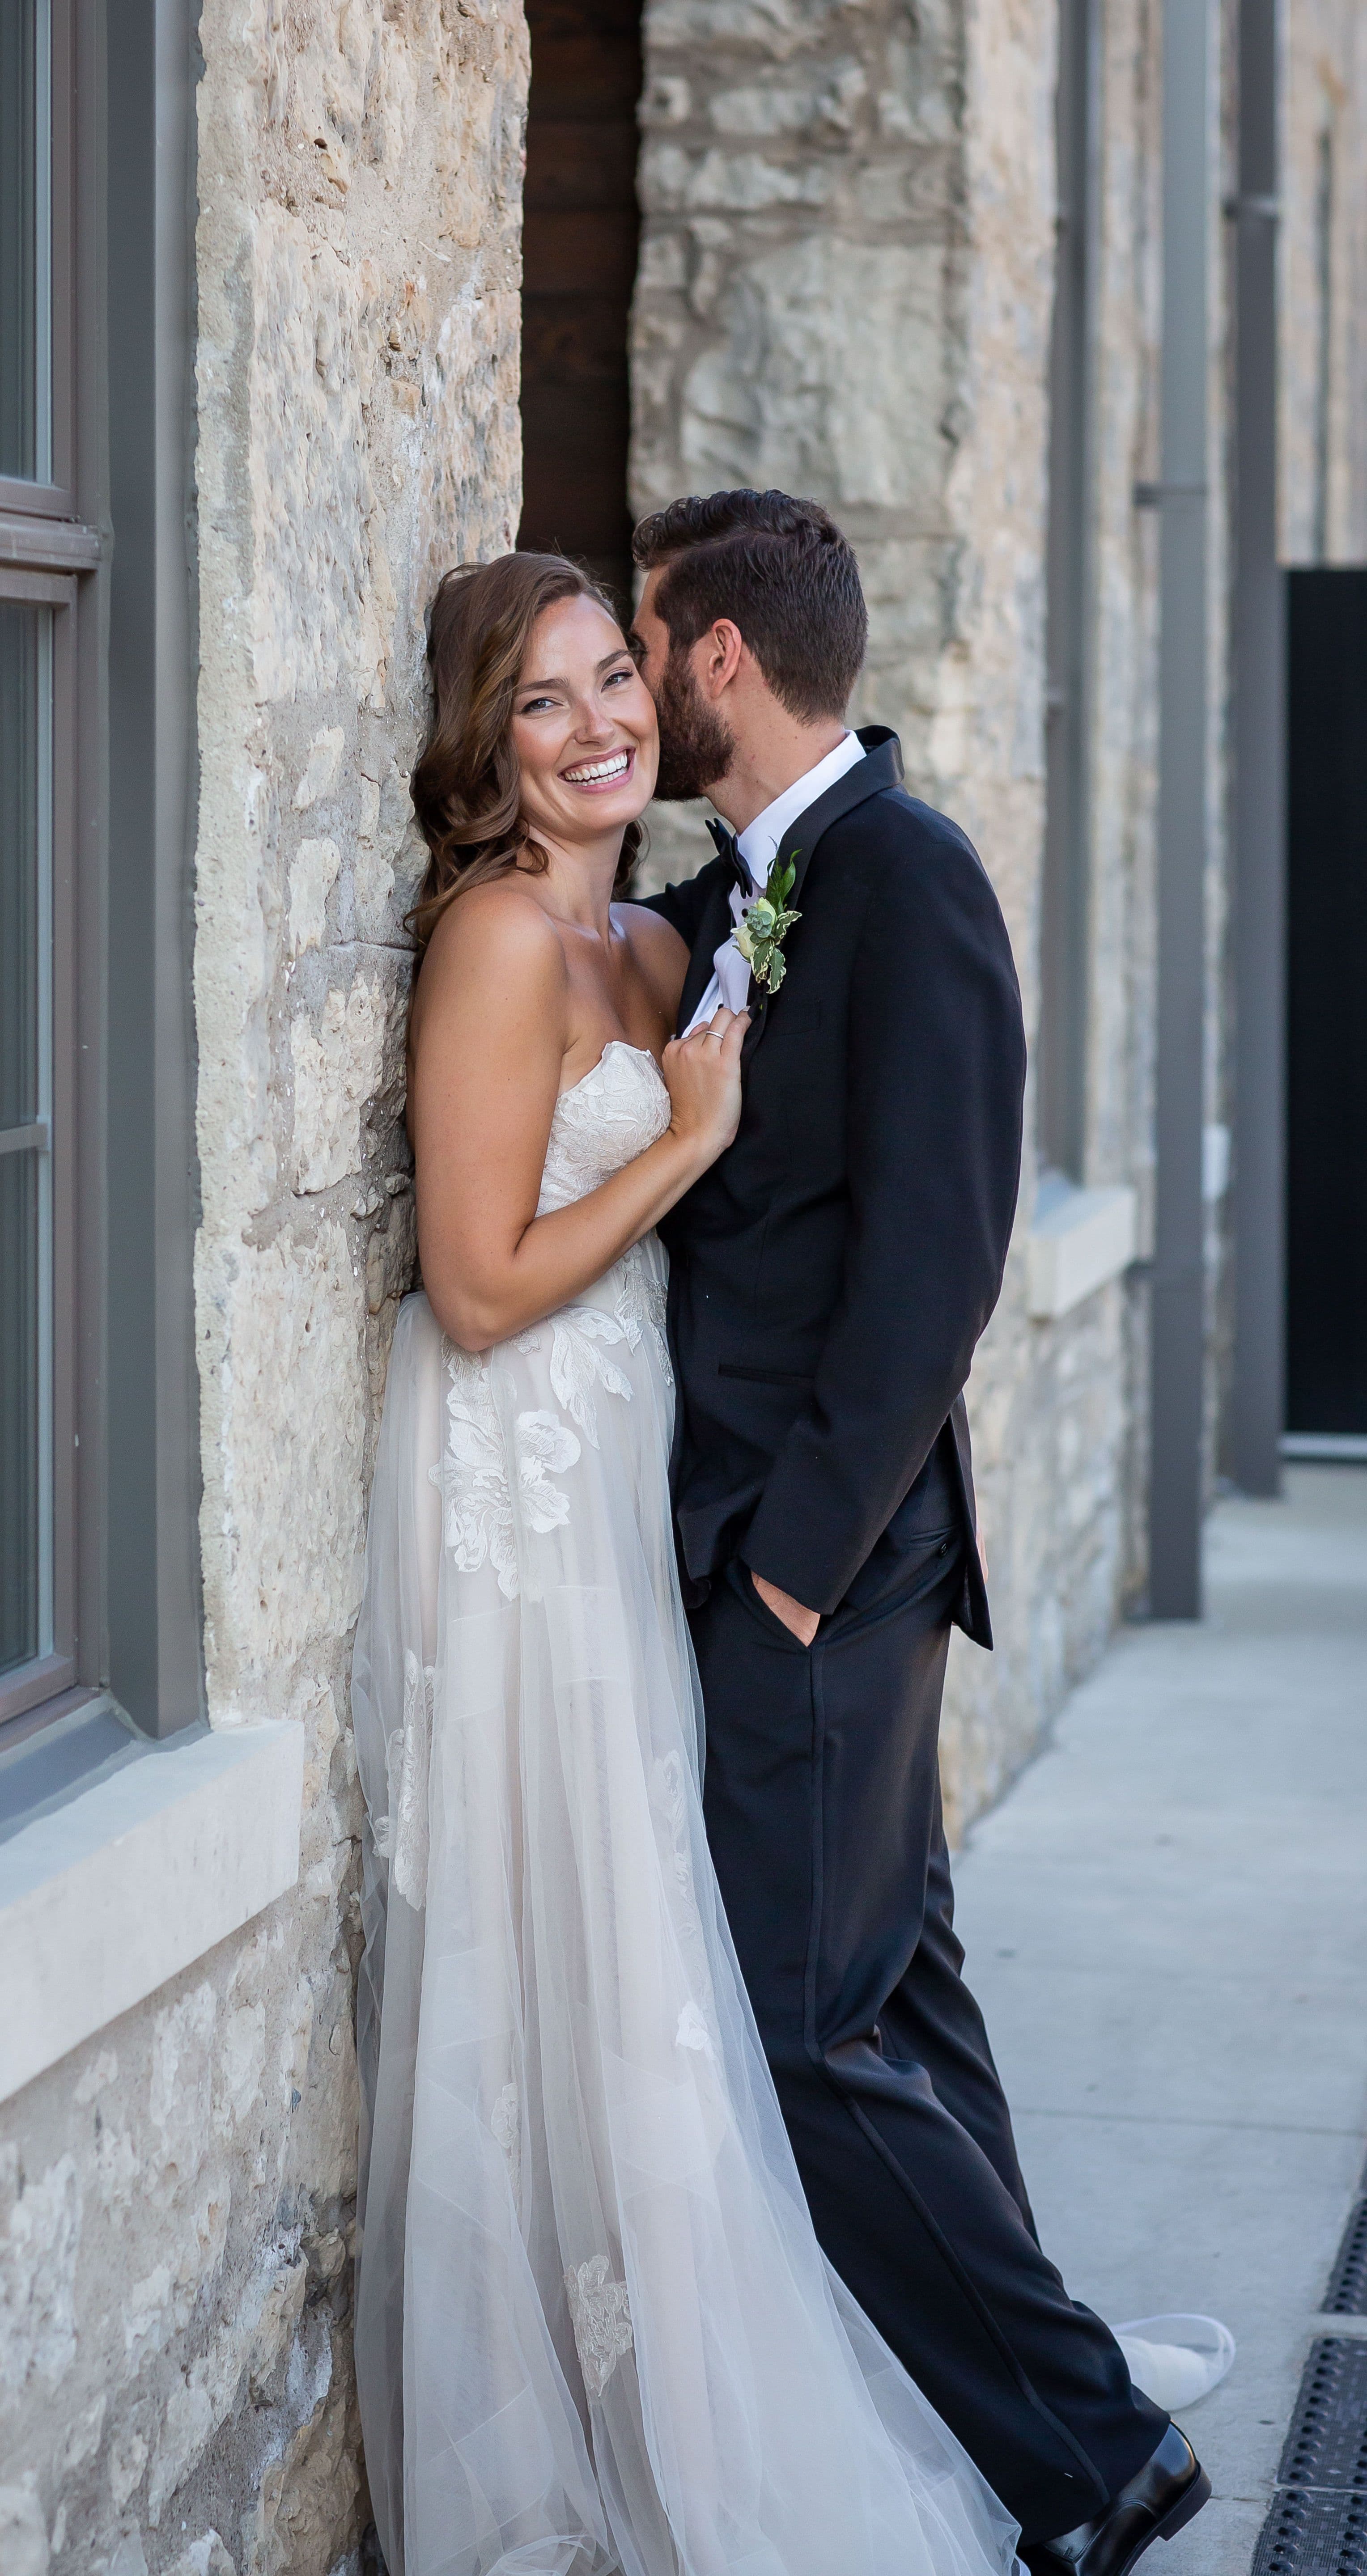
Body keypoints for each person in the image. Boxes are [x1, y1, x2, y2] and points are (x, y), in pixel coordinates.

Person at [353, 549, 1024, 2576]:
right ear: (486, 737)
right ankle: (582, 2425)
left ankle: (954, 2370)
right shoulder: (488, 944)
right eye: (547, 699)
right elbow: (474, 1293)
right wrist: (677, 1148)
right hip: (524, 1486)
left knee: (721, 1952)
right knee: (580, 1946)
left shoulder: (678, 937)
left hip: (661, 1492)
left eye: (611, 684)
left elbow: (869, 1202)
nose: (597, 725)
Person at [627, 489, 1214, 2576]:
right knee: (908, 1997)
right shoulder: (740, 896)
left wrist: (789, 1566)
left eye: (642, 641)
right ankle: (1045, 2413)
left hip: (825, 1564)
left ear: (718, 657)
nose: (633, 678)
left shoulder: (908, 876)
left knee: (809, 2032)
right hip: (775, 1553)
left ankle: (1098, 2461)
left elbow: (939, 1259)